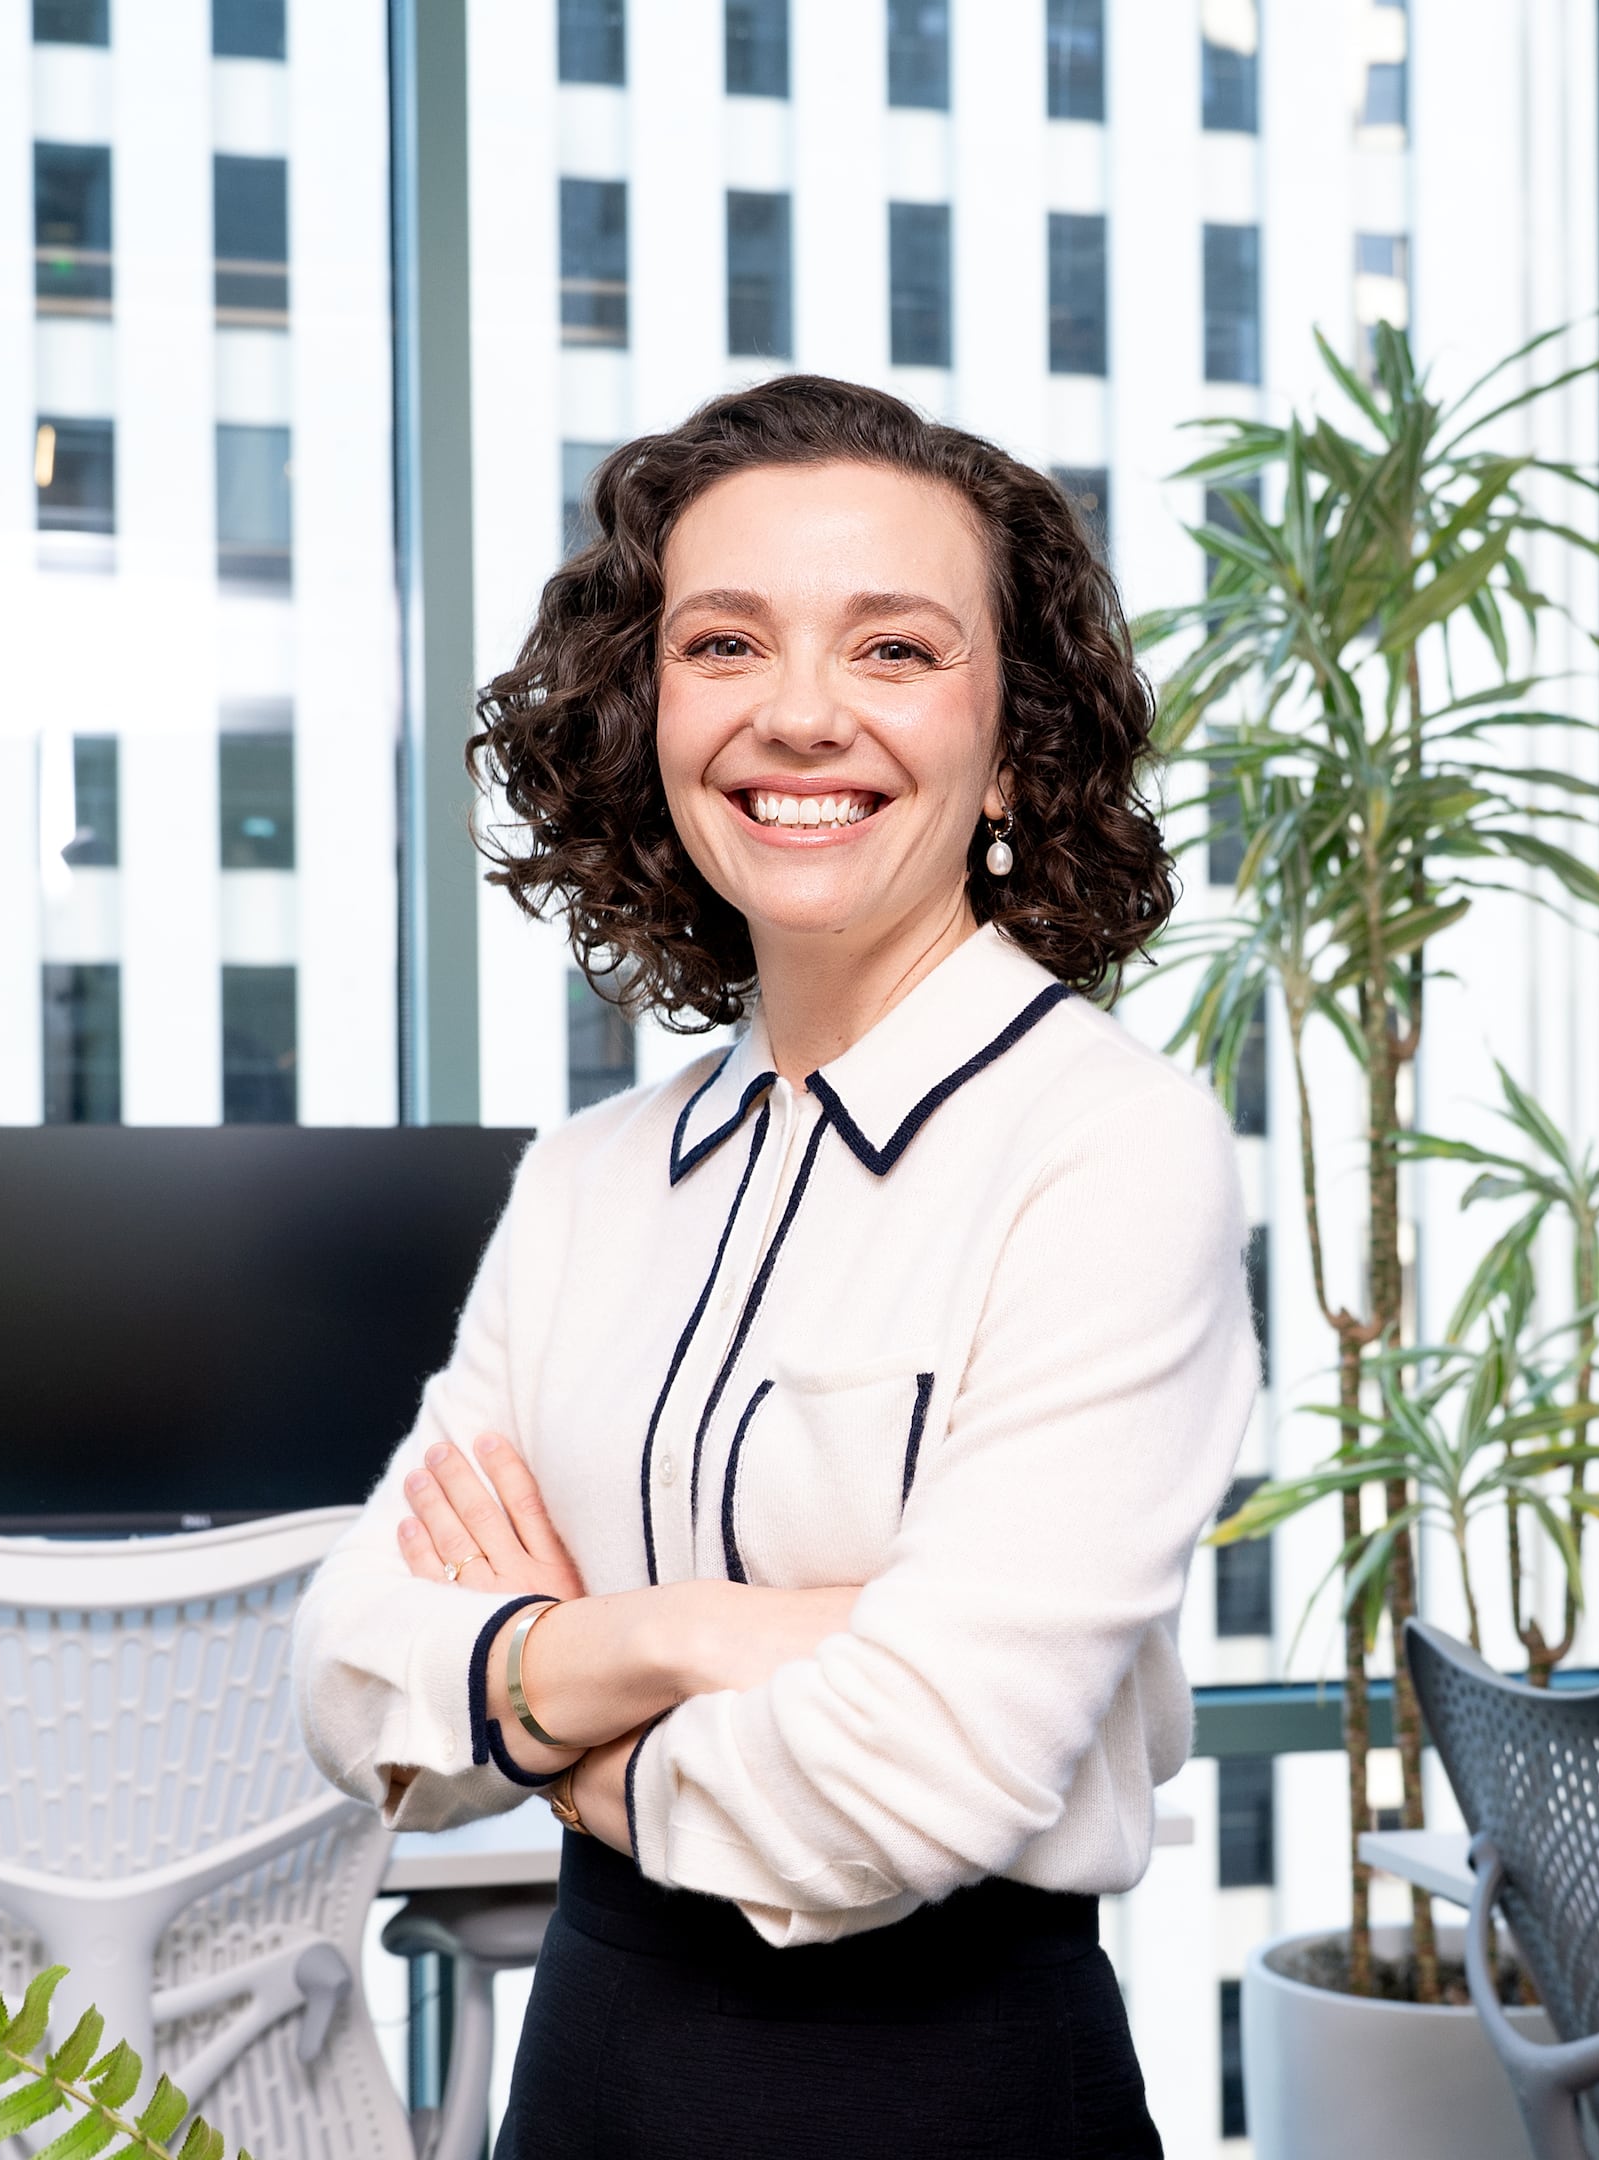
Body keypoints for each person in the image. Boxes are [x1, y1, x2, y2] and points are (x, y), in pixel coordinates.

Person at [296, 375, 1252, 2158]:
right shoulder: (588, 1180)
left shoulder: (1108, 1153)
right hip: (591, 2075)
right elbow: (353, 1676)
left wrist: (548, 1721)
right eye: (725, 643)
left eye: (894, 650)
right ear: (645, 715)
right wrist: (699, 1633)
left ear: (1018, 746)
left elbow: (913, 1781)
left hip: (950, 2088)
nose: (799, 716)